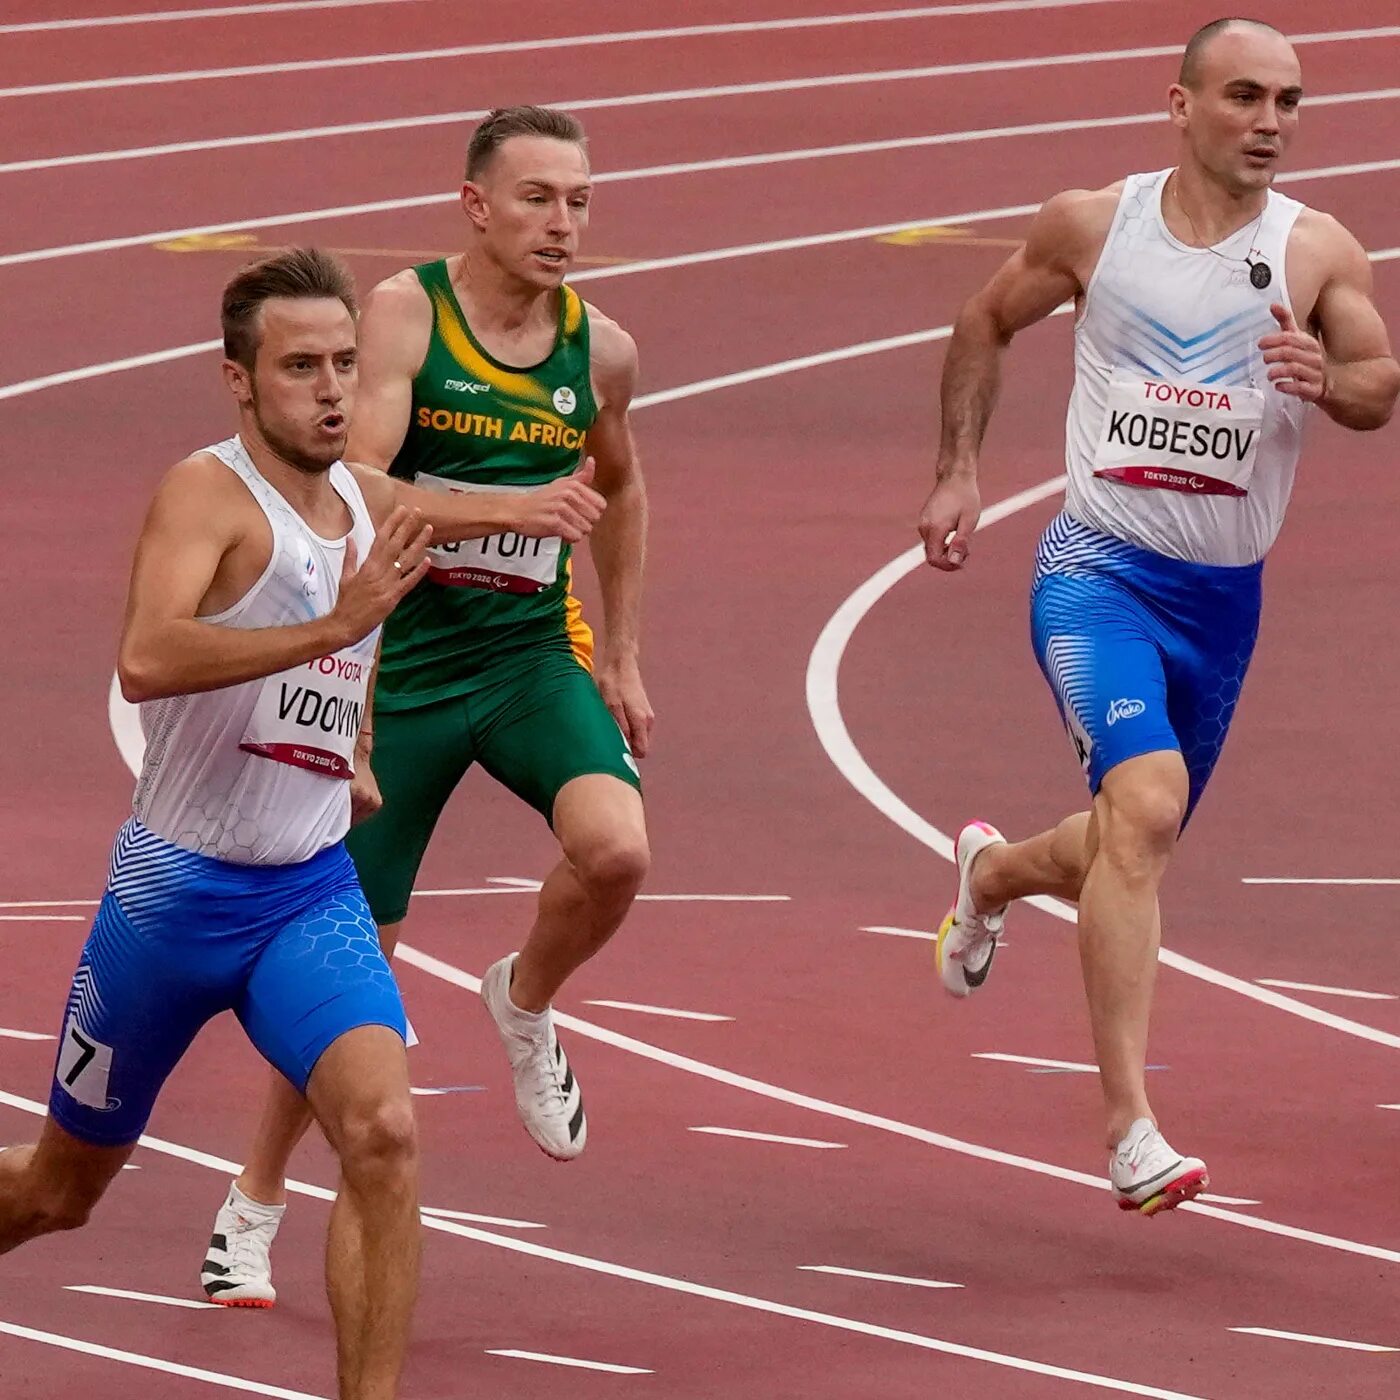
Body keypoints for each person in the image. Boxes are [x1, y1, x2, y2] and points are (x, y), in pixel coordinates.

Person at [0, 246, 603, 1399]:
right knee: (57, 1193)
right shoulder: (206, 492)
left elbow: (446, 512)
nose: (330, 388)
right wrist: (330, 634)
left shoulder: (364, 500)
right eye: (299, 367)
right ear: (238, 380)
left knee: (381, 1134)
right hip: (171, 901)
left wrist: (358, 740)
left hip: (304, 892)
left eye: (343, 363)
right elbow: (146, 656)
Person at [917, 18, 1399, 1216]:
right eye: (1244, 96)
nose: (1271, 122)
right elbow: (982, 319)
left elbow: (1378, 382)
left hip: (1221, 603)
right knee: (1141, 807)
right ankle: (1128, 1126)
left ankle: (989, 875)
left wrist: (1327, 383)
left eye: (1289, 101)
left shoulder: (1318, 248)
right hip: (1095, 570)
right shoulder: (1094, 224)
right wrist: (958, 469)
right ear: (1177, 105)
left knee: (1131, 837)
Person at [199, 105, 651, 1305]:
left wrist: (625, 653)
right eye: (538, 198)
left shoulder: (600, 350)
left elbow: (624, 481)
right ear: (476, 206)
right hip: (396, 670)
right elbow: (361, 488)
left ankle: (525, 995)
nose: (563, 223)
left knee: (616, 850)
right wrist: (502, 513)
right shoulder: (405, 318)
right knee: (351, 979)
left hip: (525, 657)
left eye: (580, 201)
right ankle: (250, 1201)